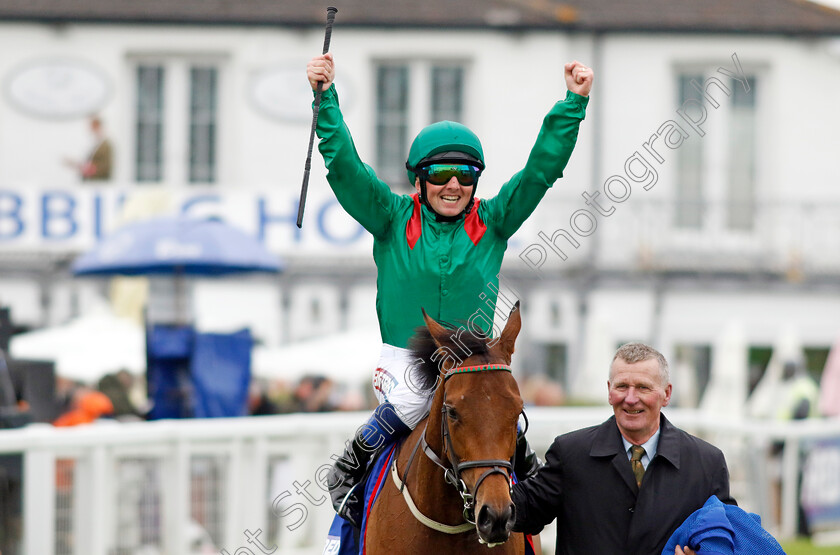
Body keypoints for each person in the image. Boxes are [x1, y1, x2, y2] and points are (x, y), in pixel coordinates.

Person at [306, 52, 593, 532]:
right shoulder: (390, 217)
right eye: (440, 175)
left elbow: (540, 171)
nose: (453, 185)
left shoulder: (495, 220)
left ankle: (526, 481)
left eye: (465, 175)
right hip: (405, 359)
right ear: (420, 179)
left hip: (476, 362)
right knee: (420, 399)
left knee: (500, 411)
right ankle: (352, 464)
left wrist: (573, 103)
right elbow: (346, 167)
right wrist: (325, 98)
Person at [511, 342, 736, 555]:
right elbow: (521, 511)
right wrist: (509, 444)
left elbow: (729, 538)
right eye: (622, 386)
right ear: (609, 391)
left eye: (642, 387)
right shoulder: (570, 453)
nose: (630, 398)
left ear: (666, 394)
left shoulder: (707, 463)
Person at [64, 115, 112, 181]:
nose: (91, 129)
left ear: (98, 126)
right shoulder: (95, 145)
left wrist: (86, 169)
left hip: (99, 183)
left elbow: (104, 168)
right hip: (91, 182)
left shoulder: (105, 145)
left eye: (93, 126)